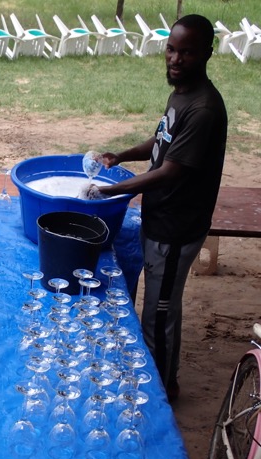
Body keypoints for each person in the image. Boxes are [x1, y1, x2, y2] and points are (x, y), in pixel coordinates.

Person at [90, 14, 227, 401]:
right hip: (161, 218)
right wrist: (121, 156)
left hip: (176, 228)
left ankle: (162, 393)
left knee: (159, 314)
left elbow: (171, 171)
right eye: (171, 49)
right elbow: (161, 140)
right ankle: (162, 379)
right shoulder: (181, 93)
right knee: (162, 307)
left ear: (206, 54)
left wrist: (112, 192)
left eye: (186, 52)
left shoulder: (203, 109)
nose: (175, 59)